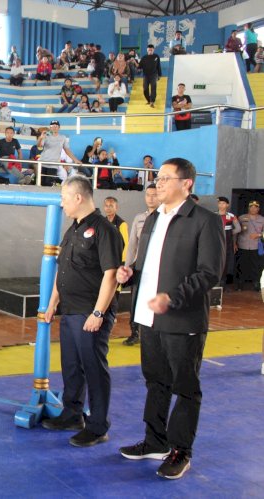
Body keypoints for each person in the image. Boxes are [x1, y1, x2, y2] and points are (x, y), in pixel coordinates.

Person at [117, 158, 224, 480]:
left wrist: (172, 297)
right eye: (157, 178)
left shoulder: (205, 221)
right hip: (148, 318)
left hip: (182, 320)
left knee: (185, 387)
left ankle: (181, 450)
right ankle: (155, 440)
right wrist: (130, 275)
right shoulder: (152, 219)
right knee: (156, 381)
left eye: (165, 178)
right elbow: (149, 266)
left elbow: (209, 273)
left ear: (186, 183)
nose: (158, 183)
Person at [42, 175, 122, 447]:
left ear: (78, 197)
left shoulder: (104, 230)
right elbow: (62, 270)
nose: (62, 203)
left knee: (94, 369)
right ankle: (73, 413)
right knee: (72, 367)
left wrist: (98, 314)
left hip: (90, 313)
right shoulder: (72, 230)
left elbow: (110, 274)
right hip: (70, 310)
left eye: (64, 198)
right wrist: (53, 302)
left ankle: (98, 426)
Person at [122, 183, 159, 346]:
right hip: (139, 267)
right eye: (148, 195)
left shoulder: (165, 218)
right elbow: (132, 246)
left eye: (154, 194)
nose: (151, 198)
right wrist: (128, 266)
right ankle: (134, 332)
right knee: (135, 300)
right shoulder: (139, 218)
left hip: (157, 268)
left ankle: (152, 334)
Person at [36, 120, 82, 185]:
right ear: (50, 127)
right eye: (52, 126)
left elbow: (67, 150)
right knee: (40, 182)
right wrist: (41, 138)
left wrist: (75, 160)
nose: (54, 127)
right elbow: (39, 146)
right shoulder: (46, 136)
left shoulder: (63, 138)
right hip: (43, 162)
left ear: (59, 127)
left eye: (56, 126)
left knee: (48, 183)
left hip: (53, 164)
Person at [236, 200, 264, 291]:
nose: (253, 209)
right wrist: (234, 243)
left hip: (256, 246)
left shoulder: (262, 219)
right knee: (241, 265)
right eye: (251, 207)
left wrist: (259, 235)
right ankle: (240, 284)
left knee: (256, 266)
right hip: (242, 244)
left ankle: (256, 284)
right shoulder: (241, 218)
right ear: (248, 208)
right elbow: (236, 231)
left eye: (255, 207)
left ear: (258, 209)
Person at [217, 196, 241, 287]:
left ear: (227, 205)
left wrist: (230, 233)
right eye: (219, 203)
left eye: (223, 203)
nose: (221, 205)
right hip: (215, 241)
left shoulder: (231, 216)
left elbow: (238, 229)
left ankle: (222, 282)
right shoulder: (213, 215)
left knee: (225, 262)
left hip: (227, 241)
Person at [103, 196, 129, 263]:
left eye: (111, 206)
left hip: (117, 260)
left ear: (116, 208)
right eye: (106, 206)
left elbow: (126, 244)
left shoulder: (122, 224)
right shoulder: (102, 222)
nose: (108, 208)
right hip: (105, 258)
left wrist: (123, 261)